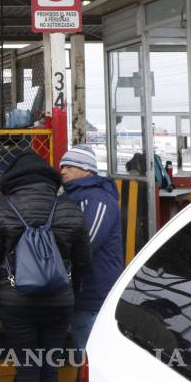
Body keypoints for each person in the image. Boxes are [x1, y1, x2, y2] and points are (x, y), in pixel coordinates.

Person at [0, 152, 91, 382]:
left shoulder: (2, 209)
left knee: (26, 368)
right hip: (60, 300)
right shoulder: (69, 208)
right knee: (49, 370)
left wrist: (6, 276)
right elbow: (84, 259)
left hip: (15, 300)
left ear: (14, 179)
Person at [59, 144, 124, 353]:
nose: (63, 170)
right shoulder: (73, 197)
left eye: (69, 166)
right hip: (80, 292)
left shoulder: (97, 199)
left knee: (92, 356)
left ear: (87, 169)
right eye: (62, 166)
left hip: (93, 294)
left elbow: (87, 243)